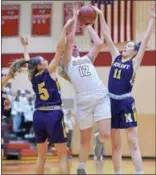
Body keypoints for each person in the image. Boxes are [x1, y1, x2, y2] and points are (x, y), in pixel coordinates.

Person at [93, 5, 156, 174]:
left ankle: (139, 172)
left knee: (133, 142)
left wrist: (152, 20)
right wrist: (100, 15)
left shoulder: (134, 63)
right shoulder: (115, 56)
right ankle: (117, 172)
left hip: (126, 102)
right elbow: (106, 35)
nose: (125, 47)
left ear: (134, 52)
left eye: (129, 46)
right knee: (115, 144)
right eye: (126, 45)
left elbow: (144, 43)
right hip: (111, 102)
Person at [19, 16, 77, 174]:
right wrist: (64, 28)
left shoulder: (32, 76)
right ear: (40, 66)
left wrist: (25, 48)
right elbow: (60, 48)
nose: (46, 60)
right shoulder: (49, 70)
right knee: (63, 155)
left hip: (38, 116)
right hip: (53, 114)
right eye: (43, 60)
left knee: (41, 157)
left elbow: (28, 62)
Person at [61, 6, 111, 174]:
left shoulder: (87, 58)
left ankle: (100, 139)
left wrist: (87, 24)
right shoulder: (67, 65)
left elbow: (98, 43)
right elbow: (69, 41)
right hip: (83, 102)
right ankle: (81, 168)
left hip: (100, 96)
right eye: (71, 46)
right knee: (84, 139)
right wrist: (76, 19)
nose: (74, 46)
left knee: (105, 135)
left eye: (75, 46)